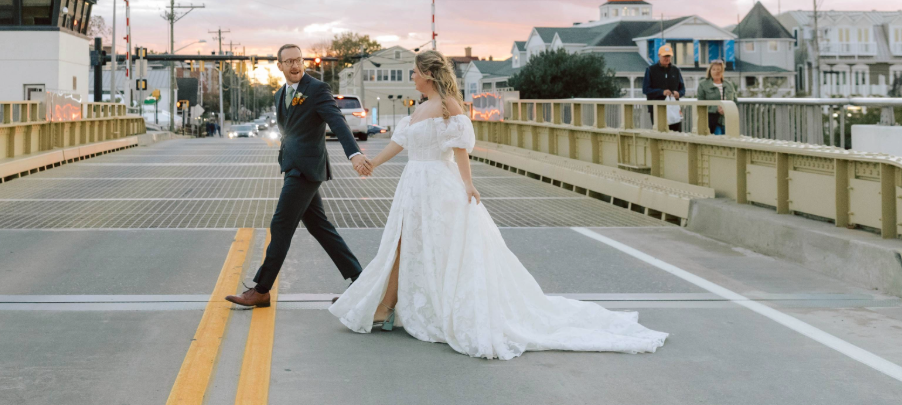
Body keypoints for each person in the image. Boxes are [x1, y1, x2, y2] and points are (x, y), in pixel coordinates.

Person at [328, 50, 667, 360]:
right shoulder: (418, 109)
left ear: (428, 75)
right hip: (413, 185)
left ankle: (391, 307)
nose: (412, 78)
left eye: (415, 73)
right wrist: (371, 164)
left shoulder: (450, 106)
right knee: (404, 242)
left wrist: (468, 184)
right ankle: (390, 305)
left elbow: (460, 149)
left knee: (435, 246)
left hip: (438, 185)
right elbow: (400, 144)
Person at [225, 44, 373, 308]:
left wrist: (354, 154)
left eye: (298, 60)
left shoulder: (317, 89)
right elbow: (288, 131)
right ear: (279, 66)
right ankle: (361, 282)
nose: (295, 65)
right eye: (289, 61)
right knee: (320, 227)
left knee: (281, 225)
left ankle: (261, 289)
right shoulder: (280, 94)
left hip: (307, 170)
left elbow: (337, 121)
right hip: (293, 166)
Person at [642, 44, 686, 132]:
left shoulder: (676, 70)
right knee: (660, 134)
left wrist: (679, 94)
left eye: (669, 56)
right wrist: (661, 92)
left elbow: (683, 89)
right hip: (657, 109)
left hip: (674, 109)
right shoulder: (650, 70)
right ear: (659, 56)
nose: (667, 58)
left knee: (676, 135)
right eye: (664, 56)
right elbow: (646, 89)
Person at [697, 60, 737, 135]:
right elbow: (700, 104)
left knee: (730, 143)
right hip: (712, 120)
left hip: (728, 120)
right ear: (710, 71)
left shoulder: (729, 85)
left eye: (719, 69)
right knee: (718, 141)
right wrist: (715, 108)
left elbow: (735, 100)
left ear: (722, 71)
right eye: (714, 69)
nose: (716, 72)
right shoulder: (703, 85)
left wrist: (727, 108)